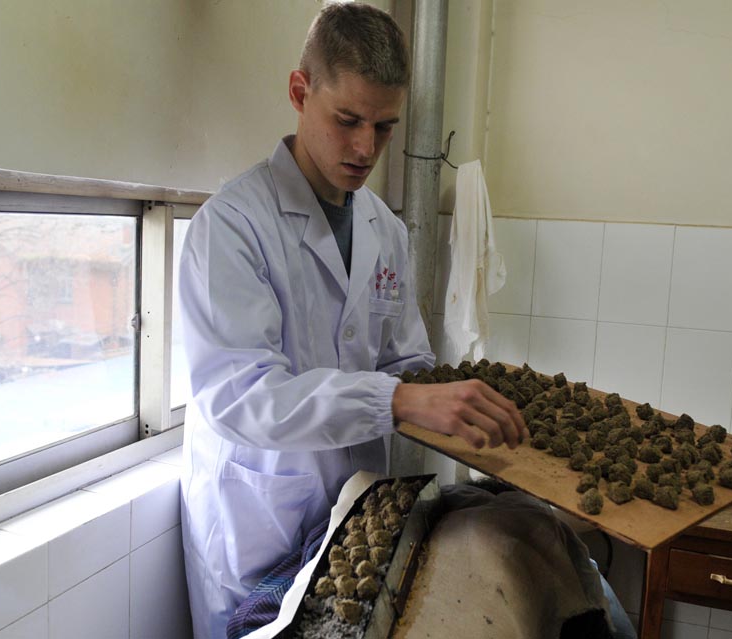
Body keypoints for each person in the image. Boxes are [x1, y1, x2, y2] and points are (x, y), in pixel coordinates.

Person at [178, 4, 526, 638]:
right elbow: (240, 397)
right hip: (261, 524)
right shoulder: (231, 227)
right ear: (298, 91)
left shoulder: (384, 232)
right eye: (347, 121)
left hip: (351, 519)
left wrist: (449, 396)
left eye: (385, 128)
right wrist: (396, 399)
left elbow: (404, 360)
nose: (366, 148)